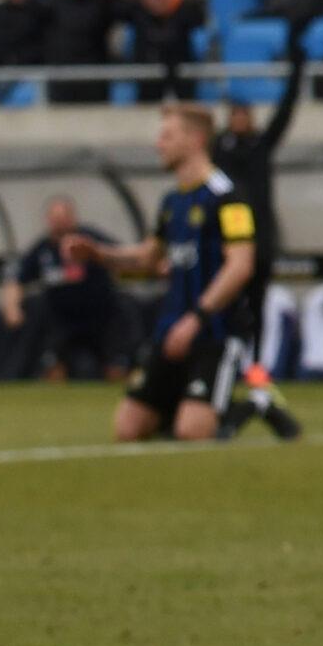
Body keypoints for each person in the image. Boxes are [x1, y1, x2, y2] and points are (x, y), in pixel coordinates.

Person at [64, 106, 256, 443]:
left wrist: (197, 317)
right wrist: (99, 254)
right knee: (127, 429)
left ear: (195, 140)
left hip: (214, 333)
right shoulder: (172, 202)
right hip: (170, 332)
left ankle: (246, 407)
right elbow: (148, 257)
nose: (158, 144)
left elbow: (241, 265)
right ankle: (187, 411)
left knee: (192, 432)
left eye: (167, 136)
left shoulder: (228, 197)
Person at [211, 58, 307, 440]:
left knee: (255, 315)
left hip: (259, 244)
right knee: (230, 313)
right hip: (228, 245)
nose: (240, 119)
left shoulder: (260, 147)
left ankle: (255, 377)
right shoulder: (219, 150)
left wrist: (298, 71)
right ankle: (234, 379)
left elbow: (285, 113)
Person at [3, 196, 127, 380]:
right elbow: (16, 280)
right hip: (61, 323)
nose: (60, 224)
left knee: (116, 370)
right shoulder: (43, 250)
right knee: (53, 370)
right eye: (55, 219)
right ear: (48, 221)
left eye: (64, 218)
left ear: (73, 218)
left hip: (102, 318)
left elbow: (121, 256)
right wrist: (11, 308)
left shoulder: (89, 239)